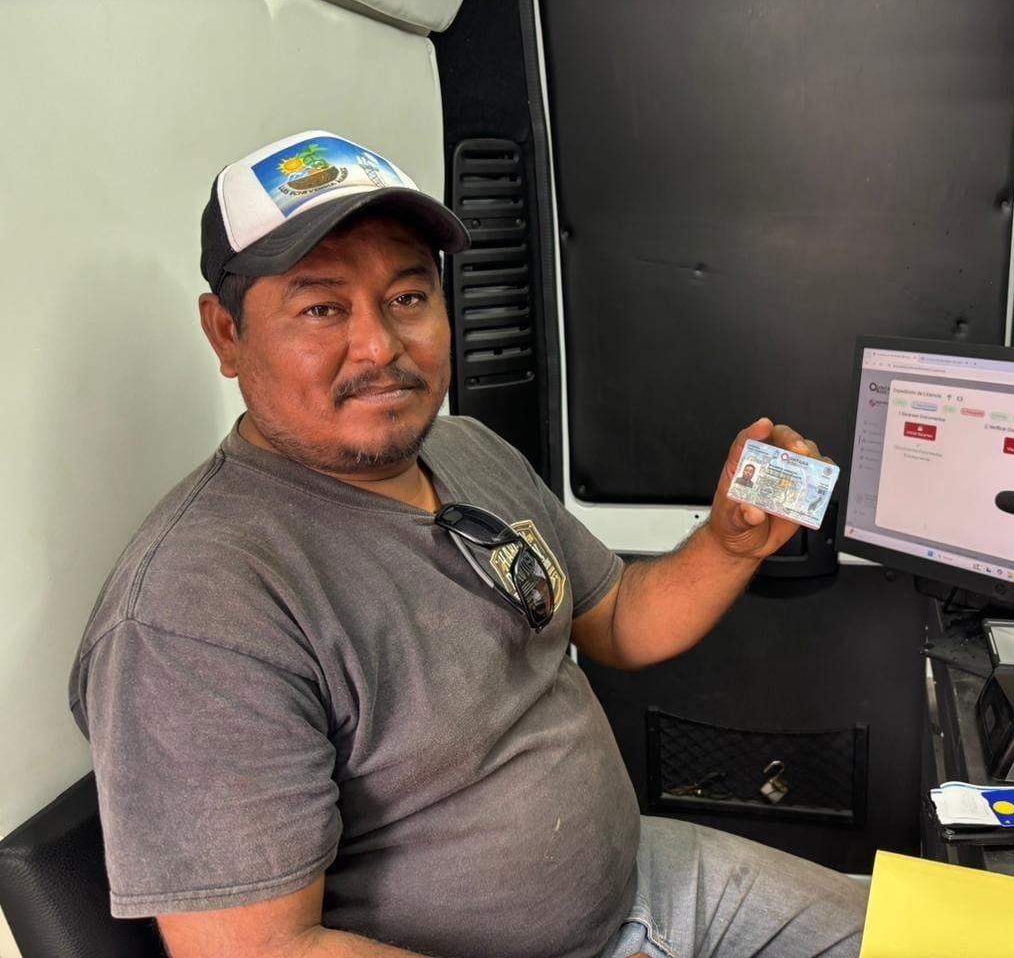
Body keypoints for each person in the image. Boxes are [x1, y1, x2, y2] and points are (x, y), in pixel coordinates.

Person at [69, 131, 867, 958]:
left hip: (649, 883)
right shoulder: (195, 612)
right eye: (321, 309)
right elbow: (263, 952)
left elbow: (619, 620)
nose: (380, 346)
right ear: (227, 334)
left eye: (408, 297)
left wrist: (731, 544)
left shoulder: (467, 449)